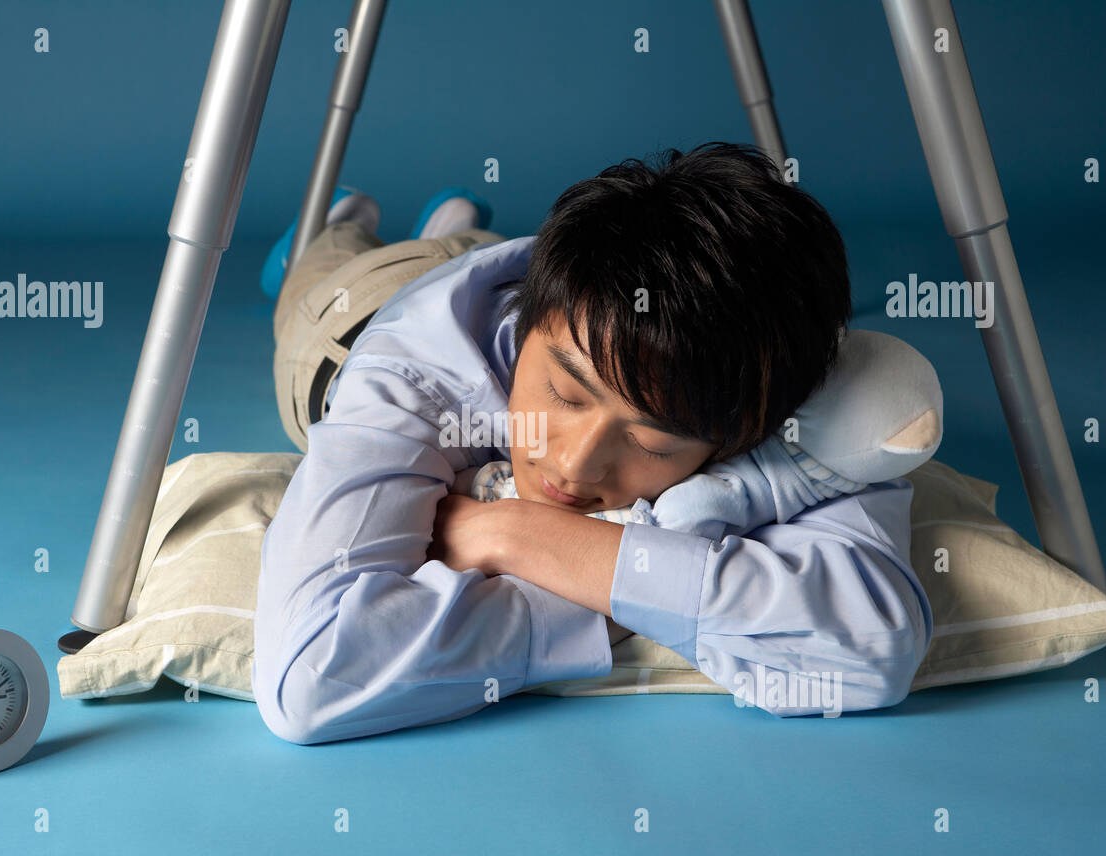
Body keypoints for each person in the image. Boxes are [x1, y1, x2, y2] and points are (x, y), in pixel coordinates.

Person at [253, 141, 933, 745]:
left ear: (740, 433)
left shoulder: (756, 381)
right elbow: (310, 678)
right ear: (525, 336)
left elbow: (873, 646)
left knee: (500, 266)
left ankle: (458, 229)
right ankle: (342, 230)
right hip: (358, 312)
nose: (575, 463)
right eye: (565, 394)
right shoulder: (412, 374)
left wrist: (517, 536)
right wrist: (640, 593)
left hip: (548, 280)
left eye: (652, 441)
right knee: (322, 278)